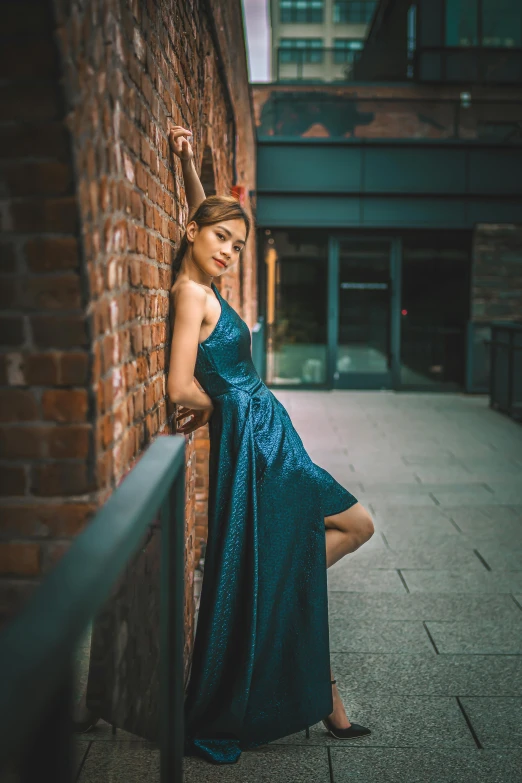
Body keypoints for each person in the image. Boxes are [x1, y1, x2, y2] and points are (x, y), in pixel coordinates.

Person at [167, 125, 375, 765]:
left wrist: (186, 164)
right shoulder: (191, 295)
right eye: (220, 239)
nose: (228, 251)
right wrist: (232, 408)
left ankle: (300, 651)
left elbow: (205, 220)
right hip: (255, 444)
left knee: (328, 538)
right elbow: (179, 387)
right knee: (356, 524)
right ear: (192, 235)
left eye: (236, 244)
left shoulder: (211, 283)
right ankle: (324, 693)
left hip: (270, 437)